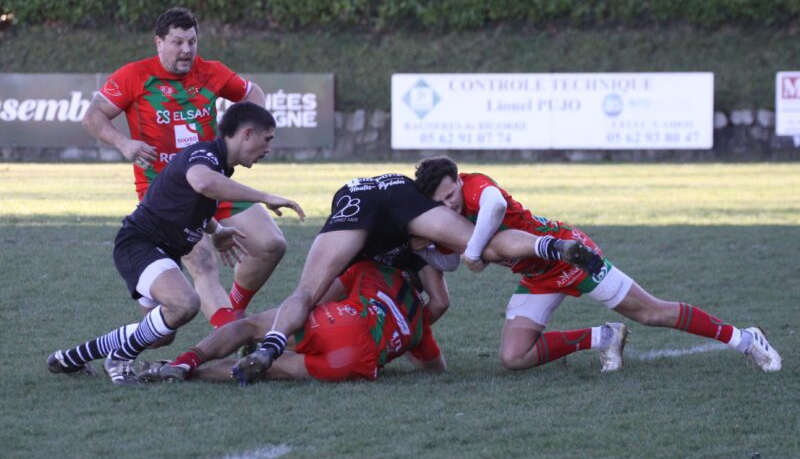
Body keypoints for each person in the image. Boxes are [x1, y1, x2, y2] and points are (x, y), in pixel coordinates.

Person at [413, 155, 782, 373]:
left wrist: (474, 251)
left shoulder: (476, 185)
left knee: (652, 313)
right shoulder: (449, 209)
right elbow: (449, 262)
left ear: (460, 180)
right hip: (536, 276)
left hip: (572, 256)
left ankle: (746, 338)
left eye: (451, 195)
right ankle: (604, 337)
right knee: (513, 357)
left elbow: (493, 208)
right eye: (441, 203)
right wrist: (421, 252)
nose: (450, 206)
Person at [232, 172, 604, 383]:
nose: (449, 206)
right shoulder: (418, 245)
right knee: (485, 244)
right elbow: (441, 298)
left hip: (356, 197)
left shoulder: (381, 261)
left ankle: (270, 345)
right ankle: (549, 246)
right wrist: (408, 331)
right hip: (395, 199)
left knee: (307, 292)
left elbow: (445, 276)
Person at [47, 103, 305, 385]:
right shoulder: (204, 154)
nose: (268, 148)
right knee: (185, 304)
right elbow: (203, 183)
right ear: (246, 134)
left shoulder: (221, 165)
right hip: (140, 244)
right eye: (266, 139)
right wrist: (264, 197)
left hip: (160, 251)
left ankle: (68, 358)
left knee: (160, 335)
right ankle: (119, 358)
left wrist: (217, 231)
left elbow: (193, 202)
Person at [82, 6, 283, 329]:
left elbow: (252, 93)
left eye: (192, 41)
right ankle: (228, 340)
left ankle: (233, 309)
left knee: (272, 244)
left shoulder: (211, 72)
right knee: (202, 262)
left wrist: (248, 130)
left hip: (213, 181)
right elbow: (93, 116)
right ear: (158, 42)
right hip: (167, 192)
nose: (187, 49)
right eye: (177, 42)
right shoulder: (135, 76)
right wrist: (125, 144)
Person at [141, 253, 451, 384]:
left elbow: (315, 297)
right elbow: (436, 369)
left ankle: (184, 363)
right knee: (269, 371)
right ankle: (197, 375)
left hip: (343, 322)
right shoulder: (421, 325)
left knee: (251, 326)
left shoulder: (374, 269)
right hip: (358, 364)